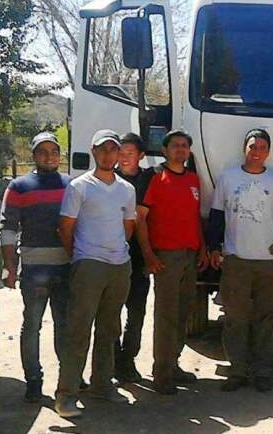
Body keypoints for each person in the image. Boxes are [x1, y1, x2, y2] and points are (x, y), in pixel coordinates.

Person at [54, 129, 136, 418]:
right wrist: (79, 256)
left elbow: (128, 226)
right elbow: (66, 228)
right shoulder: (79, 187)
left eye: (113, 149)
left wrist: (117, 251)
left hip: (119, 265)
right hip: (89, 264)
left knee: (109, 329)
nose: (108, 154)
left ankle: (102, 385)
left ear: (119, 154)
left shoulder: (126, 189)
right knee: (79, 330)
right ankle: (66, 395)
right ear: (93, 151)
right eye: (102, 149)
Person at [207, 129, 273, 393]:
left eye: (262, 147)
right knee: (235, 319)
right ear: (245, 148)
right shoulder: (228, 178)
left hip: (269, 262)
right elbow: (216, 214)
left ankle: (263, 371)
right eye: (253, 146)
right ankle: (237, 370)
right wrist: (214, 247)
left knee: (267, 318)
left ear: (268, 152)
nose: (257, 152)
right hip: (236, 260)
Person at [0, 132, 71, 402]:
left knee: (65, 326)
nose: (49, 156)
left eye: (54, 151)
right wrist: (9, 266)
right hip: (34, 269)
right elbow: (7, 227)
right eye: (43, 151)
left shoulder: (72, 185)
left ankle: (69, 379)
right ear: (33, 155)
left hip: (66, 268)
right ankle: (33, 382)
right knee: (32, 326)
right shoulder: (19, 187)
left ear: (60, 156)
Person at [136, 129, 209, 395]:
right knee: (166, 316)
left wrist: (202, 248)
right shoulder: (154, 176)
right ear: (165, 150)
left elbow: (195, 217)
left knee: (182, 313)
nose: (180, 149)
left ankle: (173, 364)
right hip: (166, 257)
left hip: (190, 254)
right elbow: (140, 218)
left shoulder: (193, 179)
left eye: (184, 145)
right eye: (175, 145)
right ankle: (162, 373)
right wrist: (148, 254)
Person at [114, 133, 155, 383]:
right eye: (121, 153)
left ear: (141, 156)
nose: (124, 158)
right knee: (110, 313)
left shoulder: (150, 179)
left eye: (130, 153)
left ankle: (127, 360)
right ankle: (112, 360)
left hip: (139, 256)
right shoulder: (108, 178)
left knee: (136, 313)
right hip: (111, 256)